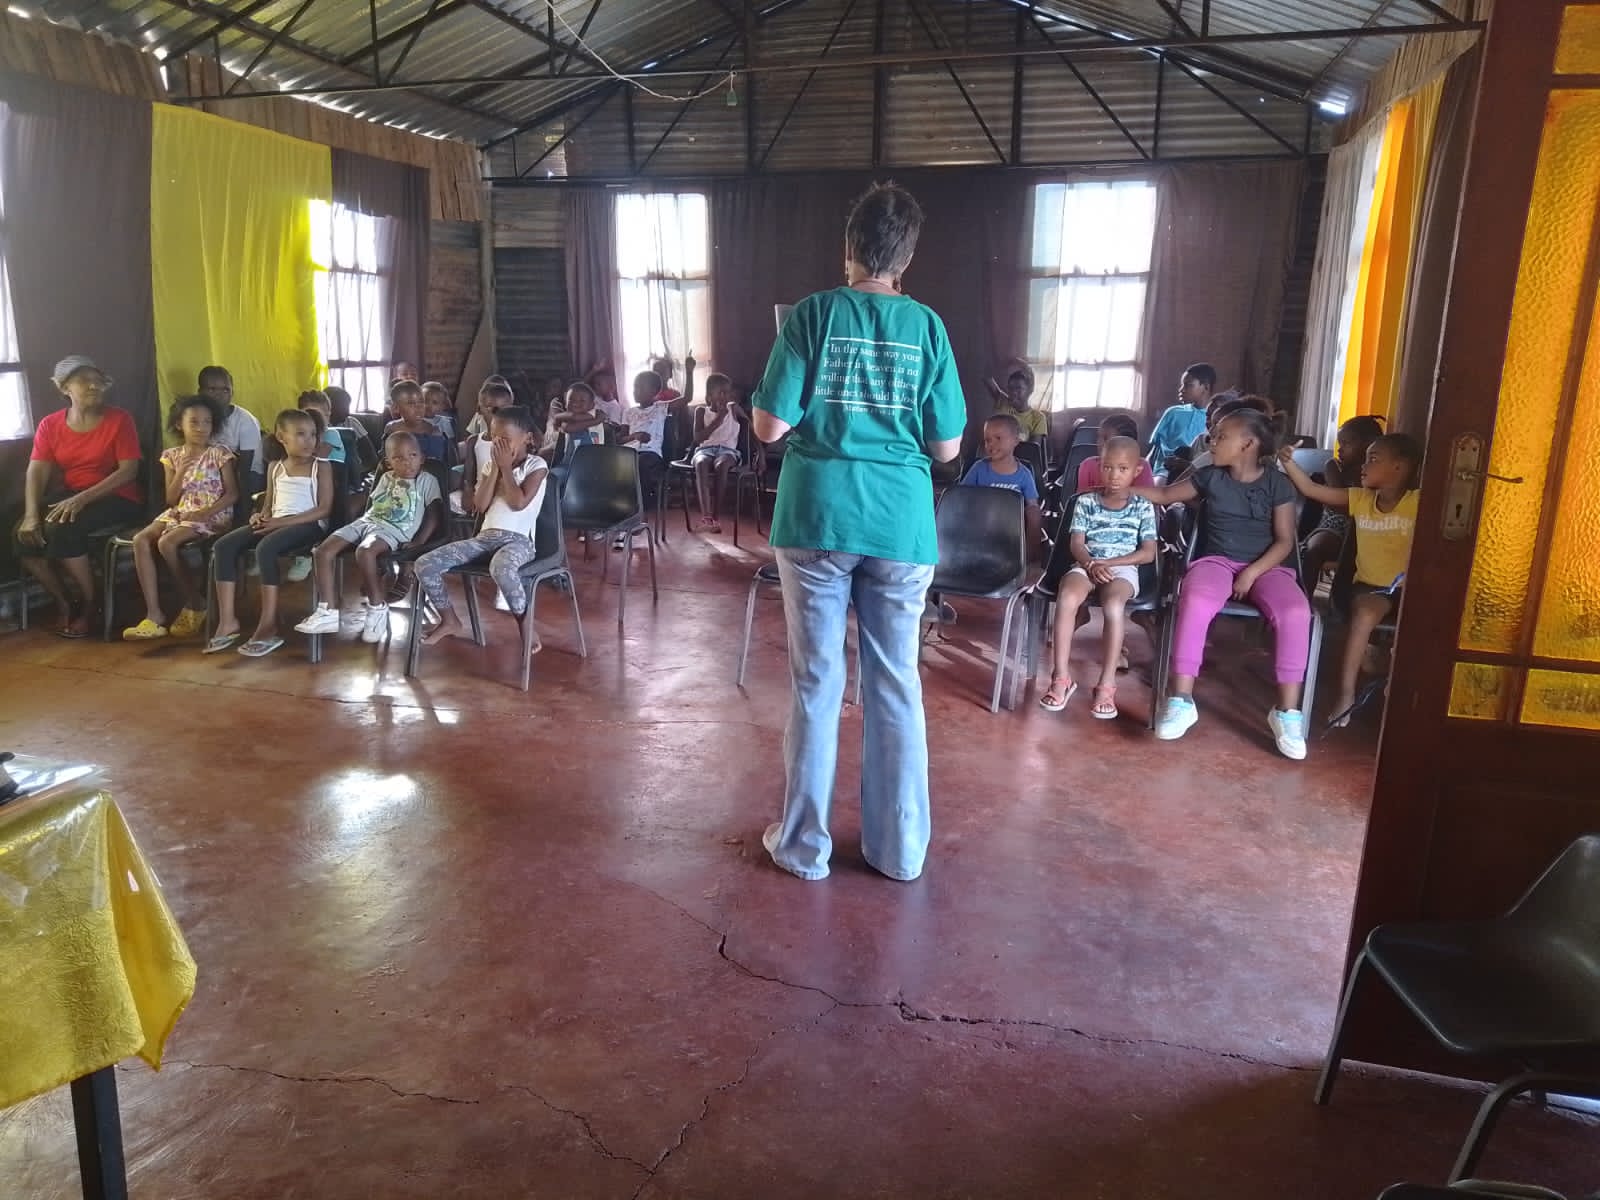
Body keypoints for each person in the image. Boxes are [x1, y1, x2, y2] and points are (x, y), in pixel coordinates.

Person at [751, 181, 966, 883]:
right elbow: (947, 448)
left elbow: (769, 426)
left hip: (817, 514)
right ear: (905, 258)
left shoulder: (812, 315)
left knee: (817, 683)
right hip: (900, 524)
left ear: (848, 250)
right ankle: (899, 851)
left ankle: (803, 847)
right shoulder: (929, 327)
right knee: (895, 683)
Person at [1132, 407, 1311, 759]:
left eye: (1221, 436)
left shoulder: (1278, 484)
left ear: (1248, 444)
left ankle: (1287, 713)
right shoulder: (1210, 476)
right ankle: (1182, 700)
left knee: (1296, 612)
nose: (1212, 441)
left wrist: (1252, 572)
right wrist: (1125, 489)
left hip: (1267, 566)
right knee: (1195, 600)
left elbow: (1285, 542)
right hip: (1215, 561)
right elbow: (1167, 495)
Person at [1280, 432, 1422, 726]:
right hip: (1373, 588)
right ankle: (1345, 694)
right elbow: (1311, 490)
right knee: (1364, 614)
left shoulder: (1418, 502)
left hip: (1412, 588)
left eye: (1373, 459)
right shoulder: (1360, 498)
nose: (1364, 465)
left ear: (1399, 467)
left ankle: (1404, 690)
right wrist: (1288, 462)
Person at [15, 356, 144, 638]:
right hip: (73, 495)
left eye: (97, 380)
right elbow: (36, 471)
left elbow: (128, 472)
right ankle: (65, 601)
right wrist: (30, 514)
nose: (93, 386)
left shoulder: (120, 419)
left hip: (118, 497)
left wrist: (81, 499)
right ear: (64, 388)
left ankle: (92, 603)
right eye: (84, 380)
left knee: (62, 529)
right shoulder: (50, 425)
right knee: (22, 534)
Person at [1039, 436, 1157, 719]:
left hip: (1123, 568)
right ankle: (1061, 678)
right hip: (1087, 563)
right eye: (1107, 467)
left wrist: (1112, 563)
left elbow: (1148, 553)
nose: (1113, 475)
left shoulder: (1142, 505)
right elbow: (1076, 544)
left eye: (1122, 469)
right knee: (1067, 597)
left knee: (1114, 606)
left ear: (1136, 470)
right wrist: (1091, 563)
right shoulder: (1086, 501)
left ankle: (1106, 684)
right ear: (1099, 466)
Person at [416, 406, 548, 649]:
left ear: (527, 438)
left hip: (518, 542)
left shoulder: (536, 465)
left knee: (501, 568)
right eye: (495, 439)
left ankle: (526, 626)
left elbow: (518, 503)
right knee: (425, 564)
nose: (499, 446)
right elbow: (480, 504)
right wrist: (497, 468)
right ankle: (449, 620)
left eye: (506, 440)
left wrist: (506, 468)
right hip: (484, 539)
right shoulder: (491, 467)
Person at [205, 410, 334, 657]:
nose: (309, 441)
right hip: (276, 521)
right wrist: (260, 516)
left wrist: (281, 524)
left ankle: (269, 624)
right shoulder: (275, 467)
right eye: (300, 434)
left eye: (313, 435)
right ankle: (228, 620)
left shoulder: (321, 467)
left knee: (266, 548)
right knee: (223, 546)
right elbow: (269, 504)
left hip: (308, 524)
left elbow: (323, 509)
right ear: (281, 437)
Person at [297, 430, 444, 645]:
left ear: (421, 457)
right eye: (399, 458)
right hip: (366, 522)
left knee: (365, 551)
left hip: (393, 530)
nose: (407, 463)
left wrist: (420, 541)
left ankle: (377, 607)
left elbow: (434, 514)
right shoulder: (385, 477)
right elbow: (373, 507)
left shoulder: (427, 481)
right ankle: (326, 610)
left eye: (413, 456)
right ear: (388, 462)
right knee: (322, 551)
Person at [121, 395, 238, 641]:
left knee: (166, 542)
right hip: (180, 510)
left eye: (207, 422)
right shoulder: (172, 455)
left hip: (212, 512)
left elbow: (232, 494)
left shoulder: (219, 453)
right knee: (141, 539)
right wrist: (182, 469)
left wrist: (204, 512)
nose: (201, 428)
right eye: (194, 422)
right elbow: (171, 499)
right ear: (179, 425)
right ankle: (154, 616)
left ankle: (195, 602)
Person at [1300, 415, 1385, 584]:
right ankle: (1304, 598)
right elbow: (1339, 506)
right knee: (1316, 548)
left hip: (1369, 525)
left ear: (1368, 444)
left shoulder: (1379, 471)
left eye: (1346, 443)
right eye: (1340, 443)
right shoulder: (1333, 467)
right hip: (1336, 524)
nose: (1340, 449)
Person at [960, 413, 1042, 553]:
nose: (991, 444)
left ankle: (1027, 557)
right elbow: (961, 496)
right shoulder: (978, 469)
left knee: (1034, 512)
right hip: (980, 527)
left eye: (998, 438)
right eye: (987, 440)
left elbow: (1032, 507)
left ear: (1015, 441)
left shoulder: (1024, 475)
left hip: (1012, 530)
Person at [690, 373, 749, 534]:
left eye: (727, 392)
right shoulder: (701, 411)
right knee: (701, 463)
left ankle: (716, 517)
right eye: (720, 393)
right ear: (709, 396)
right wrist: (718, 420)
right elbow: (698, 438)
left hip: (729, 451)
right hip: (705, 449)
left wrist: (761, 454)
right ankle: (706, 517)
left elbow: (751, 426)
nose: (725, 396)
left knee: (721, 465)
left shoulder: (733, 408)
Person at [618, 371, 670, 546]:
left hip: (650, 454)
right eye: (634, 387)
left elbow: (687, 398)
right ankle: (617, 517)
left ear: (654, 391)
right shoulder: (629, 412)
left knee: (640, 465)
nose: (635, 390)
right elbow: (620, 439)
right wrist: (635, 436)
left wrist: (689, 371)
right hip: (628, 452)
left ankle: (640, 514)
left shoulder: (661, 408)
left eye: (640, 387)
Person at [198, 365, 263, 492]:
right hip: (213, 469)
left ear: (233, 392)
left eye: (226, 390)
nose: (219, 395)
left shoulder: (246, 421)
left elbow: (243, 470)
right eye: (212, 389)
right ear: (200, 392)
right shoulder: (199, 417)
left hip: (247, 473)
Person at [458, 378, 517, 515]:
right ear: (479, 409)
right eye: (493, 409)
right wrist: (468, 492)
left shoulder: (515, 442)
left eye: (504, 409)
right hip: (480, 494)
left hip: (505, 495)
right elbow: (469, 474)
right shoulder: (474, 441)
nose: (499, 415)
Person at [1147, 363, 1216, 474]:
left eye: (1188, 385)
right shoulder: (1173, 412)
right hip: (1164, 471)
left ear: (1205, 387)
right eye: (1182, 385)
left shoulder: (1214, 418)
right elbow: (1155, 450)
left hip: (1195, 472)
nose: (1181, 390)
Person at [1075, 414, 1156, 492]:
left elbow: (1149, 501)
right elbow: (1080, 499)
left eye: (1106, 438)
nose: (1099, 442)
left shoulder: (1141, 466)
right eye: (1099, 437)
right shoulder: (1088, 465)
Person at [385, 379, 451, 465]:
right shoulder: (391, 429)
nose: (419, 408)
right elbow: (386, 460)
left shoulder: (433, 431)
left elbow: (436, 466)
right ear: (396, 408)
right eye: (411, 403)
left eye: (421, 402)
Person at [985, 363, 1049, 443]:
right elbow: (987, 376)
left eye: (1019, 388)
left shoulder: (1037, 418)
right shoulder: (1003, 402)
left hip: (1018, 455)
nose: (1014, 392)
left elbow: (1033, 451)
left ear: (1029, 391)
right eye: (1010, 388)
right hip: (994, 453)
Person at [325, 384, 377, 476]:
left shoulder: (351, 422)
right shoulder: (319, 425)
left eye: (348, 406)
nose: (347, 412)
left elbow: (371, 456)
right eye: (342, 407)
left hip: (353, 472)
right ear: (329, 407)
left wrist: (359, 472)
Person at [297, 391, 345, 465]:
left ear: (328, 416)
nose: (315, 420)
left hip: (333, 473)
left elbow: (318, 458)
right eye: (310, 416)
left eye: (319, 416)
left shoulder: (331, 434)